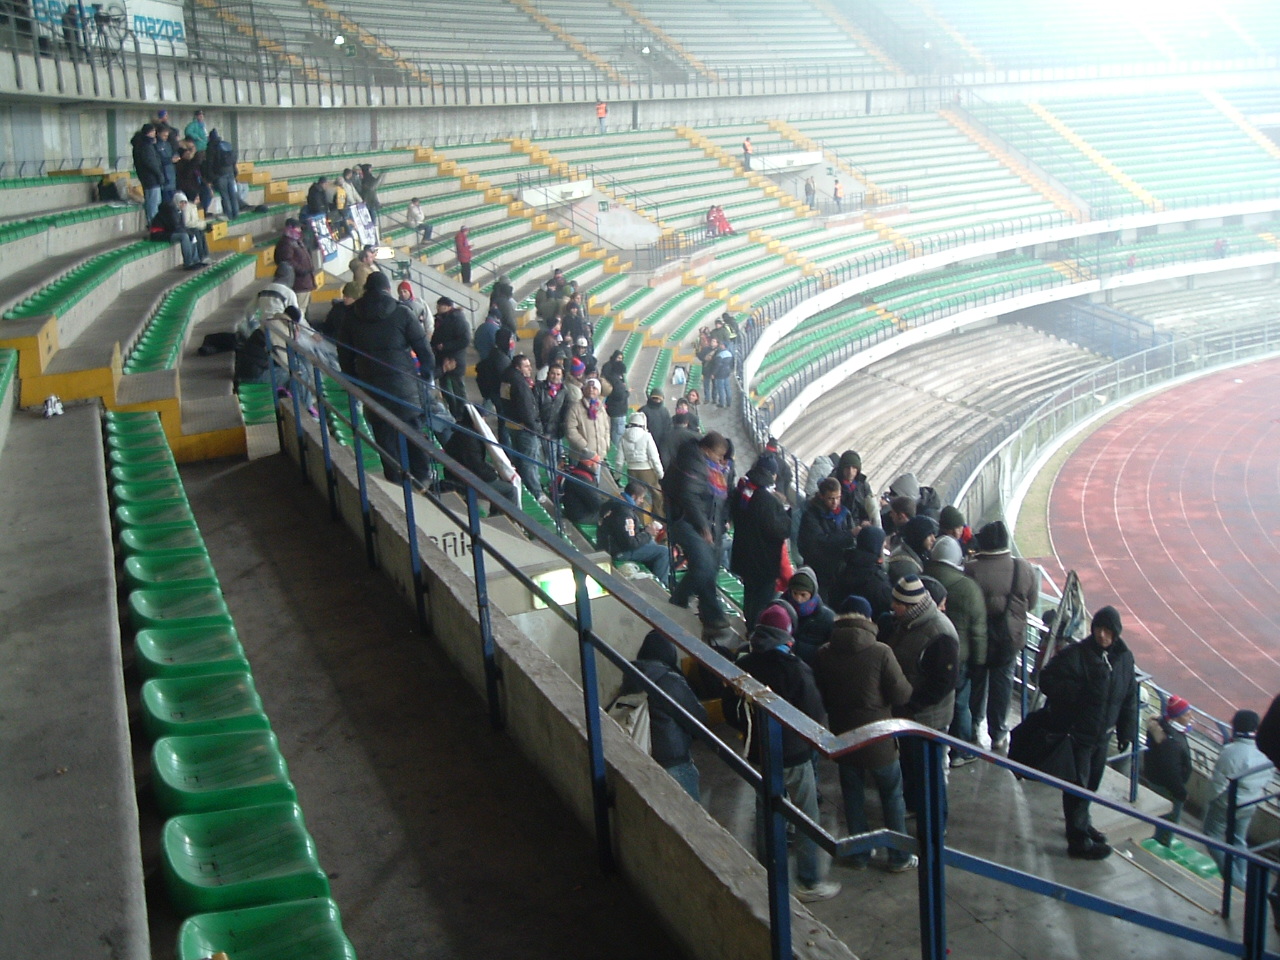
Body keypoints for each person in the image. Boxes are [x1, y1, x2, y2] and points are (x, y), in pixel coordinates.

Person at [722, 607, 841, 902]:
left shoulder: (744, 663)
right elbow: (814, 714)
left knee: (766, 811)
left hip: (760, 752)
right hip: (793, 755)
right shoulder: (796, 668)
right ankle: (809, 880)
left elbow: (729, 710)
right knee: (806, 816)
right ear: (787, 635)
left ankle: (768, 875)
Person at [813, 594, 916, 872]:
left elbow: (820, 693)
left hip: (844, 738)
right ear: (868, 620)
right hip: (878, 738)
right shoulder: (881, 652)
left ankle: (859, 853)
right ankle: (899, 856)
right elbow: (902, 694)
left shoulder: (824, 653)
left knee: (852, 796)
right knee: (892, 795)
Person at [1037, 605, 1138, 860]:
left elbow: (1129, 697)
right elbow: (1046, 678)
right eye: (1098, 630)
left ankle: (1082, 823)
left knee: (1090, 785)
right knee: (1077, 787)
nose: (1102, 636)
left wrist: (1127, 730)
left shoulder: (1124, 659)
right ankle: (1078, 841)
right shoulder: (1077, 654)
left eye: (1108, 631)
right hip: (1079, 736)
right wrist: (1077, 693)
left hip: (1102, 736)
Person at [333, 272, 434, 485]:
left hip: (372, 387)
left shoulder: (351, 315)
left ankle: (397, 484)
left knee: (385, 436)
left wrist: (355, 382)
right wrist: (425, 375)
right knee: (413, 433)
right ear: (388, 289)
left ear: (366, 290)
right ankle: (423, 480)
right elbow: (424, 350)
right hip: (404, 387)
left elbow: (344, 354)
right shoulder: (402, 312)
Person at [886, 577, 958, 824]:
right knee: (912, 767)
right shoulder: (907, 624)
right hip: (907, 715)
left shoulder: (940, 634)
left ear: (909, 605)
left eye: (897, 602)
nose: (892, 606)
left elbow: (943, 683)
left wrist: (911, 705)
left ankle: (937, 822)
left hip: (926, 718)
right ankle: (916, 806)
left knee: (929, 774)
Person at [966, 520, 1038, 754]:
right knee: (1002, 685)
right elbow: (1032, 603)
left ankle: (973, 727)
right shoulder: (1023, 568)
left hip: (978, 639)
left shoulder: (971, 569)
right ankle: (998, 734)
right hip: (1009, 638)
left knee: (976, 683)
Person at [922, 535, 987, 767]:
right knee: (960, 703)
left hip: (926, 654)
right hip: (959, 658)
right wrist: (979, 662)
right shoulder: (968, 588)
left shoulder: (922, 578)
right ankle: (961, 750)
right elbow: (978, 631)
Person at [623, 632, 706, 800]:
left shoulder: (631, 677)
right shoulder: (669, 680)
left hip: (643, 757)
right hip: (673, 762)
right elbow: (698, 719)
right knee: (689, 820)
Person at [666, 431, 731, 633]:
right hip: (684, 520)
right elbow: (690, 496)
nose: (720, 460)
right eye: (718, 455)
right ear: (706, 449)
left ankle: (711, 614)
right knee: (704, 565)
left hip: (705, 522)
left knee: (710, 565)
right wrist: (704, 527)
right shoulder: (692, 462)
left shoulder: (709, 467)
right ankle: (678, 599)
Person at [1203, 709, 1273, 887]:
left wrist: (1211, 801)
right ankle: (1242, 879)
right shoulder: (1266, 750)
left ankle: (1237, 884)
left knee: (1211, 837)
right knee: (1239, 841)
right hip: (1251, 802)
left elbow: (1218, 784)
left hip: (1227, 805)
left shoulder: (1231, 751)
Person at [729, 457, 791, 629]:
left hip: (744, 557)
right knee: (762, 602)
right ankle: (755, 632)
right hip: (764, 562)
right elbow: (781, 530)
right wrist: (786, 511)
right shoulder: (767, 500)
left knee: (749, 596)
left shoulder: (743, 491)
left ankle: (750, 627)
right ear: (772, 475)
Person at [1142, 695, 1192, 846]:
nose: (1191, 716)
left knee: (1158, 816)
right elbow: (1172, 772)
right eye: (1186, 713)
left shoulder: (1161, 727)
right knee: (1168, 821)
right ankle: (1162, 845)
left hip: (1155, 778)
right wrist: (1181, 793)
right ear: (1176, 717)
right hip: (1168, 787)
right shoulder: (1172, 741)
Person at [798, 477, 857, 603]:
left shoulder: (844, 513)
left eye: (838, 498)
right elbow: (820, 541)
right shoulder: (811, 516)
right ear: (821, 496)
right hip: (819, 571)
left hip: (838, 571)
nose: (835, 502)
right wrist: (849, 535)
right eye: (831, 498)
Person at [598, 483, 670, 584]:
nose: (641, 501)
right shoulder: (625, 513)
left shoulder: (614, 502)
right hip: (618, 552)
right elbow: (630, 543)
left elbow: (626, 533)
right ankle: (662, 584)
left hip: (608, 545)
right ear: (634, 496)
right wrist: (647, 533)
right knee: (664, 551)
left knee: (651, 543)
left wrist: (645, 531)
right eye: (641, 498)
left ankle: (655, 576)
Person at [500, 354, 546, 501]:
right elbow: (526, 409)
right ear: (518, 367)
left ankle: (525, 488)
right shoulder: (519, 383)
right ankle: (536, 493)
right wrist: (536, 428)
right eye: (526, 366)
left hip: (511, 424)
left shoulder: (506, 378)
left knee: (520, 460)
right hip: (524, 428)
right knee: (529, 462)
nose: (530, 368)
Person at [834, 525, 892, 619]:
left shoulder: (843, 567)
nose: (885, 545)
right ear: (876, 546)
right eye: (883, 543)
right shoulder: (878, 582)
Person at [431, 297, 471, 417]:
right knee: (445, 389)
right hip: (442, 359)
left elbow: (465, 340)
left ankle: (463, 413)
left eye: (440, 305)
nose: (438, 308)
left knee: (458, 388)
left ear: (448, 307)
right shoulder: (439, 319)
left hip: (454, 360)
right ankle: (454, 412)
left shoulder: (457, 319)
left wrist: (445, 346)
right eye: (438, 305)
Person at [148, 193, 210, 270]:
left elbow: (180, 226)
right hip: (158, 234)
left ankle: (195, 260)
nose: (183, 204)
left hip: (167, 232)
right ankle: (188, 262)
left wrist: (189, 233)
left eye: (185, 202)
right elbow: (174, 227)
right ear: (177, 202)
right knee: (184, 236)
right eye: (181, 202)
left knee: (191, 234)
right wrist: (188, 233)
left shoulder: (178, 211)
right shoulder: (171, 211)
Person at [620, 411, 664, 518]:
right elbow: (654, 457)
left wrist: (617, 476)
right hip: (647, 470)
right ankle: (658, 519)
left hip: (631, 470)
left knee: (636, 497)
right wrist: (660, 473)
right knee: (657, 494)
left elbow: (619, 459)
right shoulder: (647, 436)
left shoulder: (624, 436)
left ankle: (637, 520)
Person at [787, 567, 834, 664]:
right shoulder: (781, 610)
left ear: (811, 594)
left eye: (803, 595)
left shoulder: (827, 618)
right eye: (795, 593)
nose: (798, 599)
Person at [564, 377, 610, 475]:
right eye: (589, 387)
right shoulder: (575, 407)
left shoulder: (601, 408)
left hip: (598, 456)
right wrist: (585, 447)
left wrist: (606, 444)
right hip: (580, 456)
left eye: (594, 388)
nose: (591, 390)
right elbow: (570, 430)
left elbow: (606, 428)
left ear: (599, 391)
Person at [273, 218, 317, 315]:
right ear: (290, 228)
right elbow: (286, 261)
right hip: (298, 283)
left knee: (303, 309)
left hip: (304, 282)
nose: (300, 230)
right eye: (298, 228)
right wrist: (303, 270)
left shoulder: (296, 240)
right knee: (299, 311)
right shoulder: (286, 243)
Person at [203, 128, 239, 220]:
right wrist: (235, 172)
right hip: (230, 173)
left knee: (225, 195)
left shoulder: (211, 147)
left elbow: (209, 164)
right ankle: (236, 214)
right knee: (233, 195)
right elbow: (233, 161)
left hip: (220, 175)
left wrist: (211, 177)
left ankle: (229, 215)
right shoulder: (226, 145)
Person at [131, 124, 163, 223]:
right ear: (149, 132)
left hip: (147, 178)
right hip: (151, 179)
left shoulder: (143, 145)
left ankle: (154, 224)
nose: (155, 134)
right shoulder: (145, 146)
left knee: (153, 202)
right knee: (153, 204)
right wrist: (159, 174)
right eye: (153, 132)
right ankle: (153, 225)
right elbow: (151, 162)